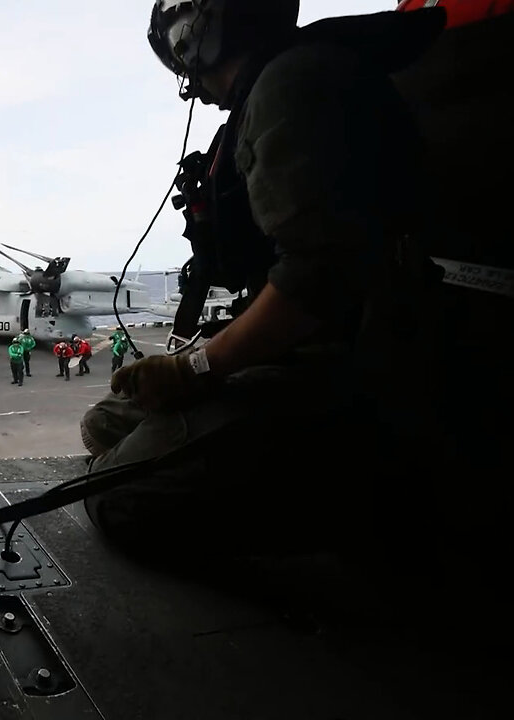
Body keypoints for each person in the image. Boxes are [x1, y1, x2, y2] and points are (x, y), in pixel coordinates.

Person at [79, 0, 441, 559]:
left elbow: (320, 277)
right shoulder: (280, 84)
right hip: (309, 346)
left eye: (183, 66)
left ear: (195, 34)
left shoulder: (290, 86)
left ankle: (349, 565)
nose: (192, 89)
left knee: (111, 496)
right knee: (104, 424)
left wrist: (193, 367)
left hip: (349, 363)